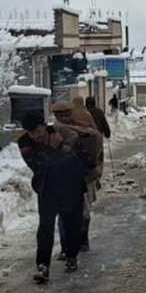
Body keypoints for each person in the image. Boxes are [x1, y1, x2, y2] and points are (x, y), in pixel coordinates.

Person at [18, 113, 86, 282]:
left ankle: (71, 256)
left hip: (71, 185)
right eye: (31, 133)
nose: (35, 136)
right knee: (45, 226)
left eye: (37, 131)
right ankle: (43, 266)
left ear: (44, 125)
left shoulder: (60, 132)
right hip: (47, 187)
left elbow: (76, 154)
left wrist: (63, 146)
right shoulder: (25, 142)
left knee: (72, 223)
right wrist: (55, 150)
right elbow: (35, 163)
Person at [54, 100, 104, 252]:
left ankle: (82, 240)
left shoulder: (86, 127)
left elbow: (96, 146)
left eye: (67, 114)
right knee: (65, 214)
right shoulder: (53, 131)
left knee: (84, 212)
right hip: (64, 179)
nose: (64, 117)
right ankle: (66, 246)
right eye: (60, 115)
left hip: (85, 176)